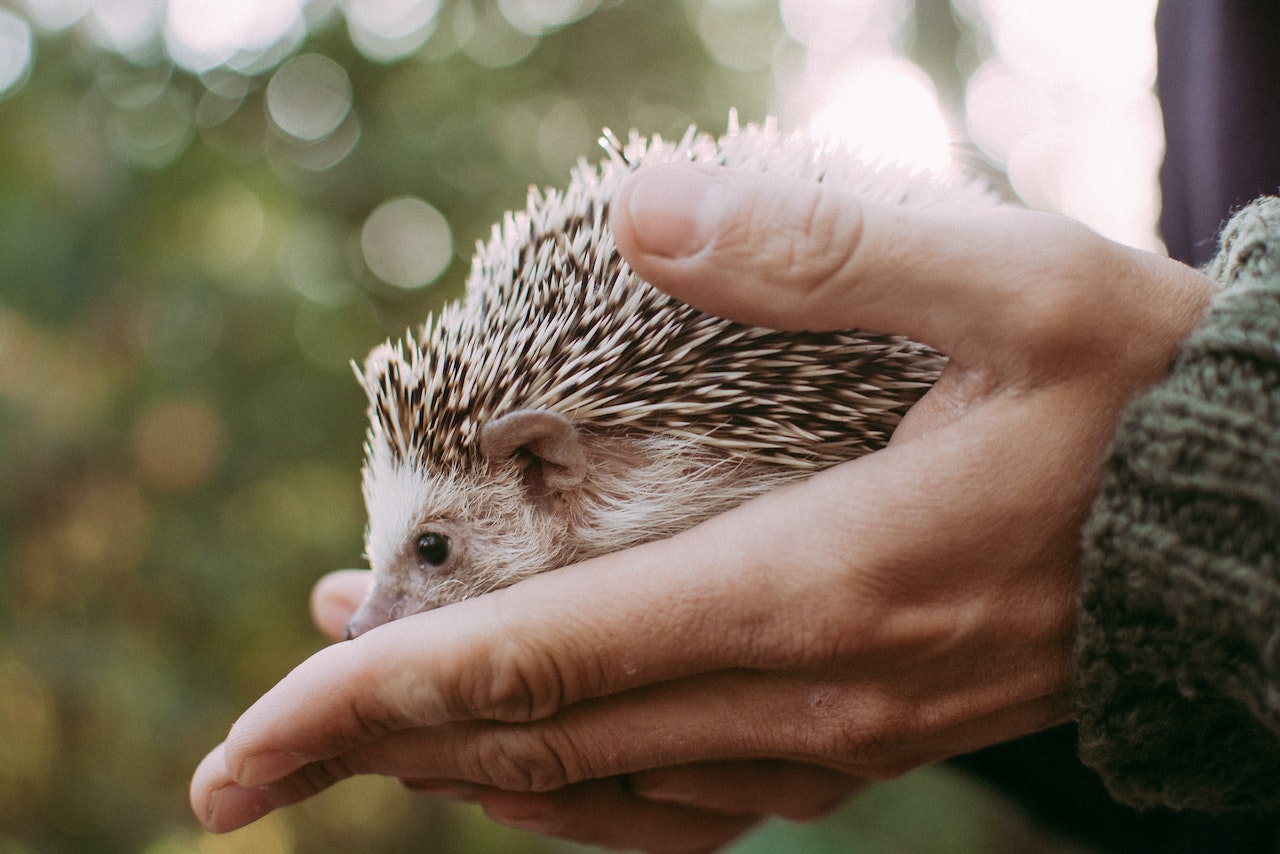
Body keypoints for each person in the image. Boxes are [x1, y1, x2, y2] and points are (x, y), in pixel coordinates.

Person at [191, 3, 1280, 849]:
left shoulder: (635, 467)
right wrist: (951, 703)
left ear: (541, 460)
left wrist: (1181, 477)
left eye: (433, 552)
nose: (376, 617)